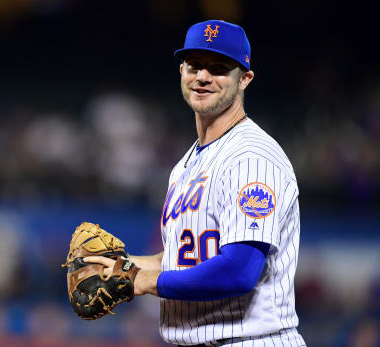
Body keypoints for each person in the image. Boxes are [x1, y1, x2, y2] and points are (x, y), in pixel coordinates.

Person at [85, 19, 306, 346]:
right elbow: (180, 258)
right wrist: (121, 267)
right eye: (195, 66)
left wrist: (142, 281)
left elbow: (239, 269)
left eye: (218, 68)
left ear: (244, 79)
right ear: (182, 72)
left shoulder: (251, 156)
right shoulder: (186, 165)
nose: (203, 77)